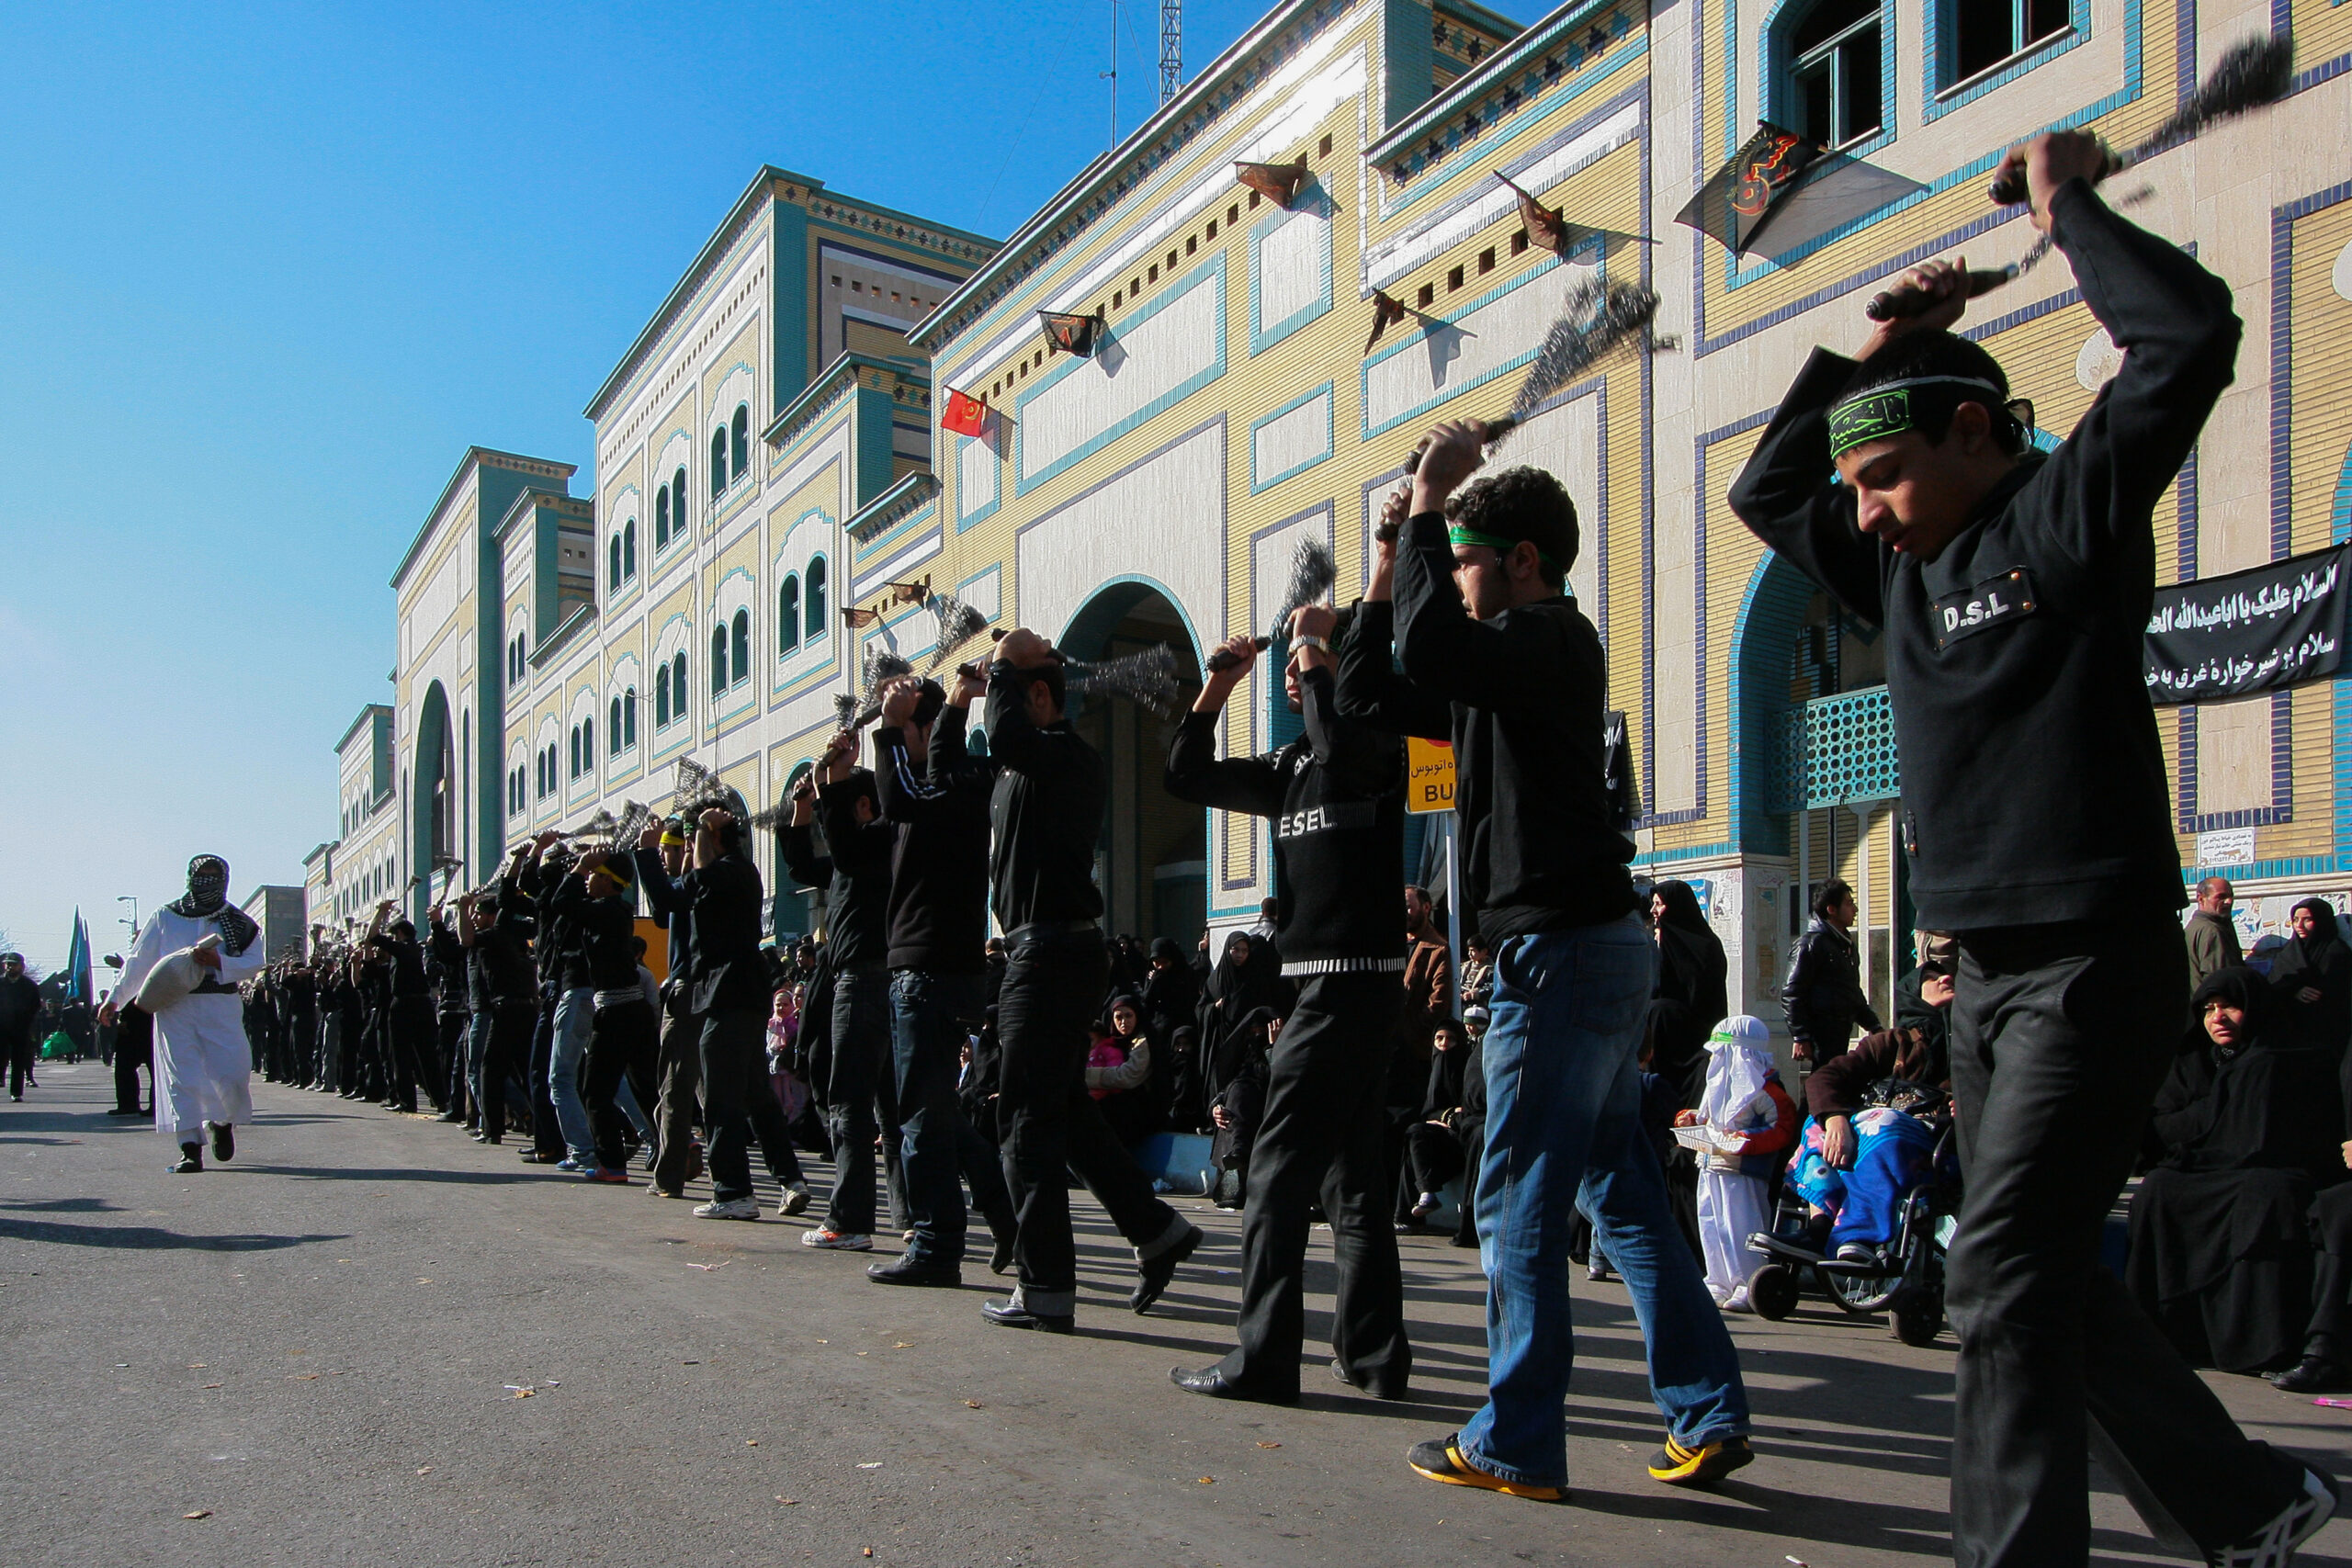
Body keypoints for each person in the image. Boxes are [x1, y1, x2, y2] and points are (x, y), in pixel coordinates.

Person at [1727, 130, 2330, 1563]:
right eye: (1858, 485)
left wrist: (2068, 205)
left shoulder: (2064, 517)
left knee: (1997, 1270)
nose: (1858, 511)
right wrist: (1884, 343)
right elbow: (1766, 489)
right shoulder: (1902, 556)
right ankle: (2248, 1504)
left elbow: (2190, 337)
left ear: (1979, 435)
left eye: (1882, 472)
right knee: (2038, 1271)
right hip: (1980, 977)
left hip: (2092, 962)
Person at [1342, 445, 1752, 1501]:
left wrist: (1429, 504)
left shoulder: (1546, 641)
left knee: (1517, 1193)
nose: (1459, 578)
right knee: (1619, 1195)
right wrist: (1400, 546)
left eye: (1469, 560)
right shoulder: (1501, 672)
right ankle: (1706, 1413)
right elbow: (1371, 686)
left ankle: (1515, 1439)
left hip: (1561, 958)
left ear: (1522, 561)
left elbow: (1430, 642)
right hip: (1590, 955)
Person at [1163, 610, 1415, 1403]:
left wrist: (1314, 654)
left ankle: (1265, 1359)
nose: (1295, 676)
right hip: (1323, 986)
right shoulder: (1291, 763)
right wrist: (1219, 685)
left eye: (1310, 664)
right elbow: (1185, 774)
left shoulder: (1371, 741)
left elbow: (1340, 738)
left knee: (1271, 1170)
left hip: (1353, 981)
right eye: (1294, 667)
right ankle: (1374, 1358)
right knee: (1352, 1182)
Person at [978, 627, 1201, 1332]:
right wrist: (977, 689)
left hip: (1049, 956)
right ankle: (1157, 1229)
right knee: (1067, 1114)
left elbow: (1008, 734)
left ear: (1038, 696)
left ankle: (1044, 1285)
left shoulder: (1065, 756)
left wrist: (1005, 668)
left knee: (1024, 1121)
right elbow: (981, 749)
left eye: (1014, 692)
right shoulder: (1022, 764)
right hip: (1042, 954)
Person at [865, 671, 1018, 1286]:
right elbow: (870, 823)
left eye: (906, 731)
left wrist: (887, 730)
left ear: (928, 729)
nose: (896, 746)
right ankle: (1006, 1216)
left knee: (922, 1118)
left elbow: (901, 793)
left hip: (932, 968)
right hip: (931, 965)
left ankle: (936, 1245)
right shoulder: (931, 782)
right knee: (939, 1115)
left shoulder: (948, 781)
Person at [2128, 967, 2344, 1376]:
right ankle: (2169, 1331)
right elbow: (2166, 1124)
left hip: (2277, 1168)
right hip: (2216, 1161)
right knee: (2159, 1188)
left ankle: (2257, 1342)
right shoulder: (2191, 1057)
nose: (2217, 1018)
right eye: (2209, 1009)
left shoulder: (2286, 1055)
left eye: (2229, 1007)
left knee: (2266, 1195)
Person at [102, 855, 266, 1172]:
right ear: (190, 877)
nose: (207, 883)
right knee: (183, 1077)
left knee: (233, 1073)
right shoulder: (166, 916)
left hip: (220, 1004)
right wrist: (115, 999)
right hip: (175, 1005)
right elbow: (140, 961)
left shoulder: (239, 923)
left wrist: (219, 962)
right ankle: (189, 1147)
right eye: (201, 876)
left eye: (214, 877)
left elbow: (255, 961)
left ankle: (221, 1122)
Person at [677, 804, 781, 1221]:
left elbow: (699, 876)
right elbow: (689, 884)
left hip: (731, 994)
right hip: (732, 993)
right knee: (750, 1091)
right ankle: (776, 1180)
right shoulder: (730, 872)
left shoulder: (731, 870)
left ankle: (733, 1190)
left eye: (698, 836)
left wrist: (704, 830)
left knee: (720, 1099)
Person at [540, 841, 659, 1184]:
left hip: (615, 1011)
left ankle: (613, 1164)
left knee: (595, 1093)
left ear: (607, 881)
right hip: (630, 1011)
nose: (588, 878)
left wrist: (578, 868)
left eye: (594, 874)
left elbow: (562, 903)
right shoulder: (614, 910)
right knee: (642, 1087)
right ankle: (679, 1143)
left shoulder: (606, 910)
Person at [1678, 1017, 1797, 1311]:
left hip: (1743, 1170)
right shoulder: (1718, 1084)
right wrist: (1691, 1119)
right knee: (1711, 1224)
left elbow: (1781, 1127)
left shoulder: (1764, 1089)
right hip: (1710, 1162)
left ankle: (1749, 1282)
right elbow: (1707, 1115)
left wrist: (1745, 1138)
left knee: (1742, 1226)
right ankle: (1717, 1279)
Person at [1781, 881, 1878, 1070]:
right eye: (1849, 904)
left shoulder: (1845, 946)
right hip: (1821, 1036)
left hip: (1840, 1033)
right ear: (1832, 909)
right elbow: (1791, 993)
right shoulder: (1810, 945)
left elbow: (1850, 992)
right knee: (1822, 1086)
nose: (1855, 909)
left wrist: (1874, 1026)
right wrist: (1801, 1036)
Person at [1401, 1017, 1476, 1230]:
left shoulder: (1467, 1068)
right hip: (1432, 1135)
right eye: (1439, 1039)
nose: (1444, 1044)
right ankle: (1420, 1200)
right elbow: (1426, 1109)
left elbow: (1469, 1108)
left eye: (1451, 1039)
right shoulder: (1428, 1069)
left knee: (1416, 1136)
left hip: (1461, 1138)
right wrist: (1443, 1116)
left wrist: (1447, 1117)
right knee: (1414, 1137)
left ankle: (1420, 1200)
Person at [2267, 898, 2349, 1060]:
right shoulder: (2289, 952)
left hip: (2328, 1035)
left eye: (2308, 920)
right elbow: (2273, 984)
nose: (2299, 926)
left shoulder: (2337, 953)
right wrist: (2293, 991)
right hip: (2291, 1031)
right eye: (2296, 920)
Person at [2187, 877, 2243, 993]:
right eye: (2221, 897)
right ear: (2201, 899)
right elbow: (2217, 980)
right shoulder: (2211, 931)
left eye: (2230, 896)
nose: (2229, 901)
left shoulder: (2194, 926)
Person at [0, 952, 39, 1103]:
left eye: (13, 964)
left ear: (21, 967)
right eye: (8, 964)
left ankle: (16, 1092)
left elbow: (35, 1006)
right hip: (1, 1028)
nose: (10, 967)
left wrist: (26, 1023)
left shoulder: (29, 985)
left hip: (20, 1028)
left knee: (19, 1061)